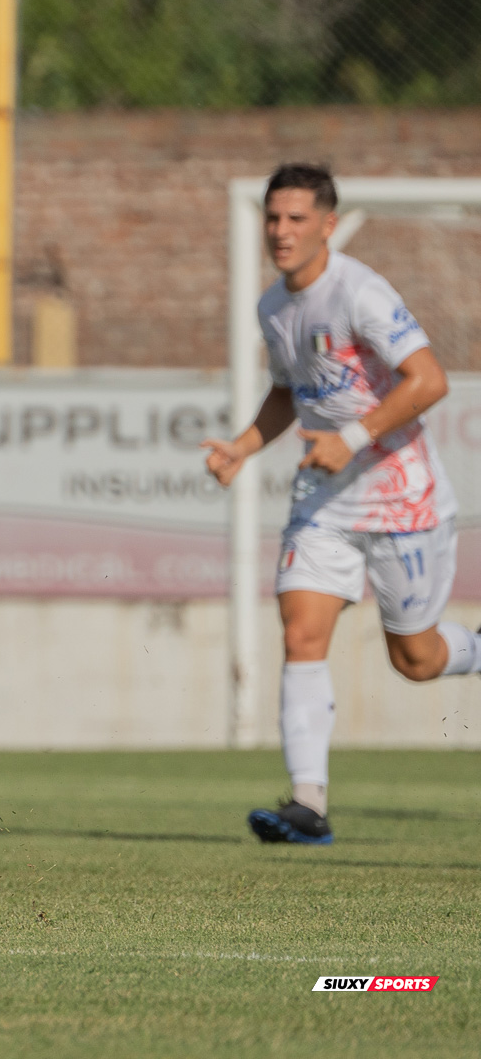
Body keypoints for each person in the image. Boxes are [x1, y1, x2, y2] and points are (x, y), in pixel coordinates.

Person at [204, 162, 481, 846]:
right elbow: (288, 391)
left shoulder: (359, 292)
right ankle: (308, 805)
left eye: (297, 219)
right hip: (324, 501)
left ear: (328, 224)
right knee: (300, 629)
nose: (281, 231)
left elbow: (430, 379)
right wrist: (243, 446)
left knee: (413, 660)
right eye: (273, 218)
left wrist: (352, 436)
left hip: (402, 500)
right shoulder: (274, 306)